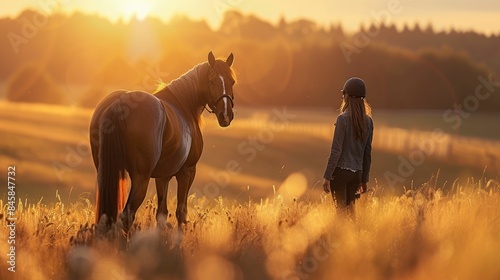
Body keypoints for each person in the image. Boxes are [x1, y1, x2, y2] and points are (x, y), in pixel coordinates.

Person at [322, 77, 373, 212]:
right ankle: (355, 234)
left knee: (340, 213)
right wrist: (364, 179)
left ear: (346, 96)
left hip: (340, 173)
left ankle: (341, 234)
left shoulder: (342, 119)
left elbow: (336, 150)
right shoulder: (368, 122)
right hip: (357, 174)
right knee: (351, 213)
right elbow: (367, 153)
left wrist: (327, 176)